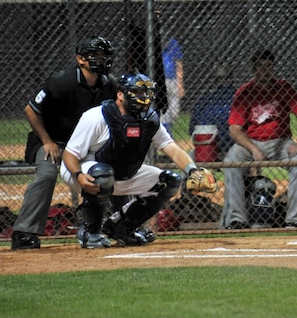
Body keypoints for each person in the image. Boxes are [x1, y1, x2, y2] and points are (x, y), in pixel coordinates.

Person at [60, 72, 210, 248]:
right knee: (103, 174)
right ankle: (89, 232)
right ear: (120, 94)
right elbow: (69, 154)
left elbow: (171, 147)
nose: (143, 97)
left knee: (169, 181)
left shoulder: (149, 119)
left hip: (122, 173)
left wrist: (193, 170)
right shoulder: (96, 116)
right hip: (82, 171)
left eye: (146, 93)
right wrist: (78, 175)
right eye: (137, 92)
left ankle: (122, 228)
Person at [10, 36, 117, 250]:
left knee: (105, 173)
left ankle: (110, 227)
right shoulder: (63, 81)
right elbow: (31, 109)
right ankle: (24, 232)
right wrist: (47, 141)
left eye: (104, 55)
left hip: (83, 146)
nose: (101, 59)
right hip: (54, 141)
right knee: (48, 174)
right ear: (80, 59)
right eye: (95, 55)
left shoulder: (109, 84)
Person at [221, 49, 297, 229]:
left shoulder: (283, 88)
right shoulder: (245, 92)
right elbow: (235, 129)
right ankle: (238, 220)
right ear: (254, 69)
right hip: (252, 142)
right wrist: (253, 149)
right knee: (231, 161)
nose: (265, 70)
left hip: (281, 141)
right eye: (261, 66)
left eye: (269, 66)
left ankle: (294, 219)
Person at [189, 63, 236, 162]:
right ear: (232, 80)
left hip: (207, 148)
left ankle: (185, 178)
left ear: (214, 81)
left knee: (187, 159)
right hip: (234, 146)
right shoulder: (240, 98)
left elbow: (192, 130)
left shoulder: (203, 101)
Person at [161, 36, 184, 133]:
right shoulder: (152, 42)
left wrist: (180, 84)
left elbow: (178, 63)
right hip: (159, 79)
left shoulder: (173, 43)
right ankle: (166, 132)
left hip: (173, 79)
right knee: (163, 110)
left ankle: (167, 129)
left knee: (175, 112)